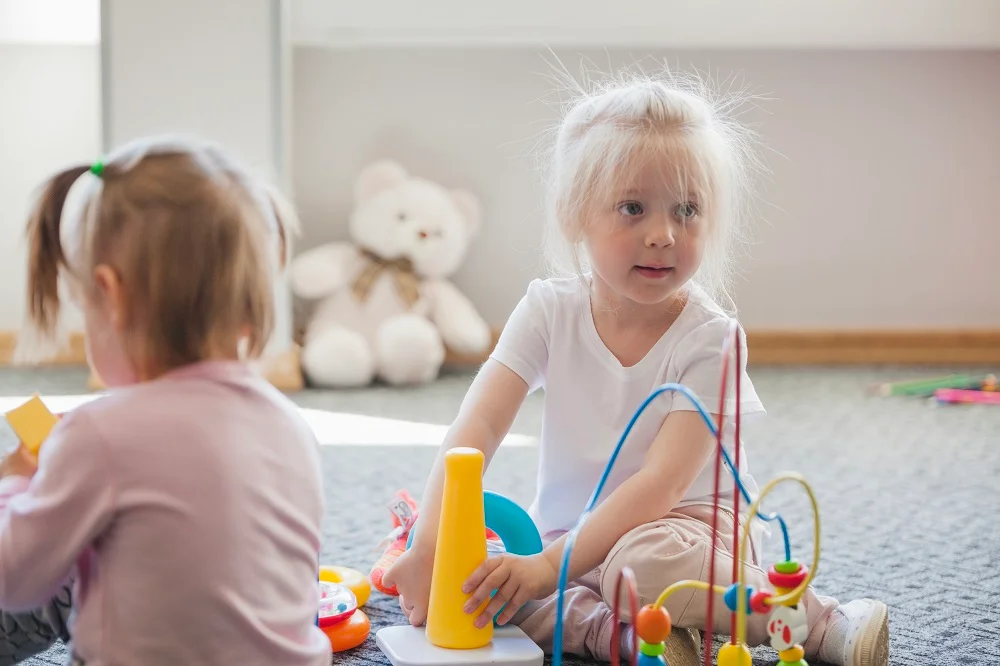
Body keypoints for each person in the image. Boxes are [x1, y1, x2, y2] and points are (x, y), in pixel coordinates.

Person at [382, 70, 890, 666]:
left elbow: (663, 484)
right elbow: (475, 432)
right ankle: (629, 636)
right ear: (576, 214)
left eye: (686, 210)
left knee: (634, 564)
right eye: (632, 208)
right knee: (495, 583)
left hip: (693, 533)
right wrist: (429, 540)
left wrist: (550, 566)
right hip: (575, 542)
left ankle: (819, 618)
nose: (662, 234)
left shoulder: (712, 338)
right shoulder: (547, 309)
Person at [0, 137, 329, 666]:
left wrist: (17, 482)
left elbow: (14, 582)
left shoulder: (97, 434)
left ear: (111, 295)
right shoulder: (291, 425)